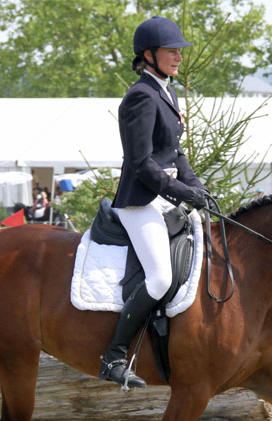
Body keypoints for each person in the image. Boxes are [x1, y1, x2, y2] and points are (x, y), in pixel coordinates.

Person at [98, 15, 208, 388]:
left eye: (179, 51)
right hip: (140, 202)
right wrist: (182, 192)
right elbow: (141, 163)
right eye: (171, 51)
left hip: (163, 198)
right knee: (160, 278)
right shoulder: (141, 96)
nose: (179, 57)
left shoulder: (166, 91)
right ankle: (114, 357)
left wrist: (197, 187)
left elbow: (174, 153)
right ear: (149, 55)